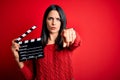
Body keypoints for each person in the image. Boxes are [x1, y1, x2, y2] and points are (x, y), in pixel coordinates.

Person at [11, 4, 81, 80]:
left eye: (58, 19)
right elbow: (31, 77)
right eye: (50, 18)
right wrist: (18, 59)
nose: (53, 23)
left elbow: (77, 42)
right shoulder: (36, 46)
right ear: (45, 21)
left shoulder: (66, 42)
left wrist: (72, 33)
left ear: (62, 22)